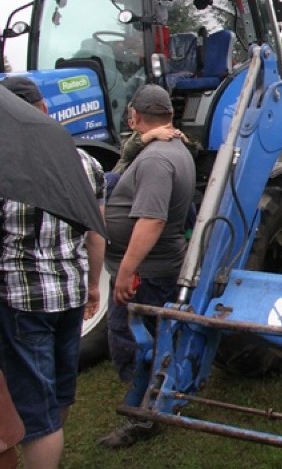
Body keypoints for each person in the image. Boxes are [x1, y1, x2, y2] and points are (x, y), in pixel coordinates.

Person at [0, 76, 105, 469]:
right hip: (72, 292)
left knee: (35, 408)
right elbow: (96, 234)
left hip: (23, 301)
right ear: (44, 109)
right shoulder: (85, 161)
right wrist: (93, 286)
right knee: (60, 389)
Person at [99, 84, 195, 448]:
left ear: (133, 117)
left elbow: (152, 220)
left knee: (136, 342)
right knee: (150, 339)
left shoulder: (156, 160)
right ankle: (155, 398)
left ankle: (144, 413)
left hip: (147, 273)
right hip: (153, 268)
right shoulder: (168, 149)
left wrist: (126, 270)